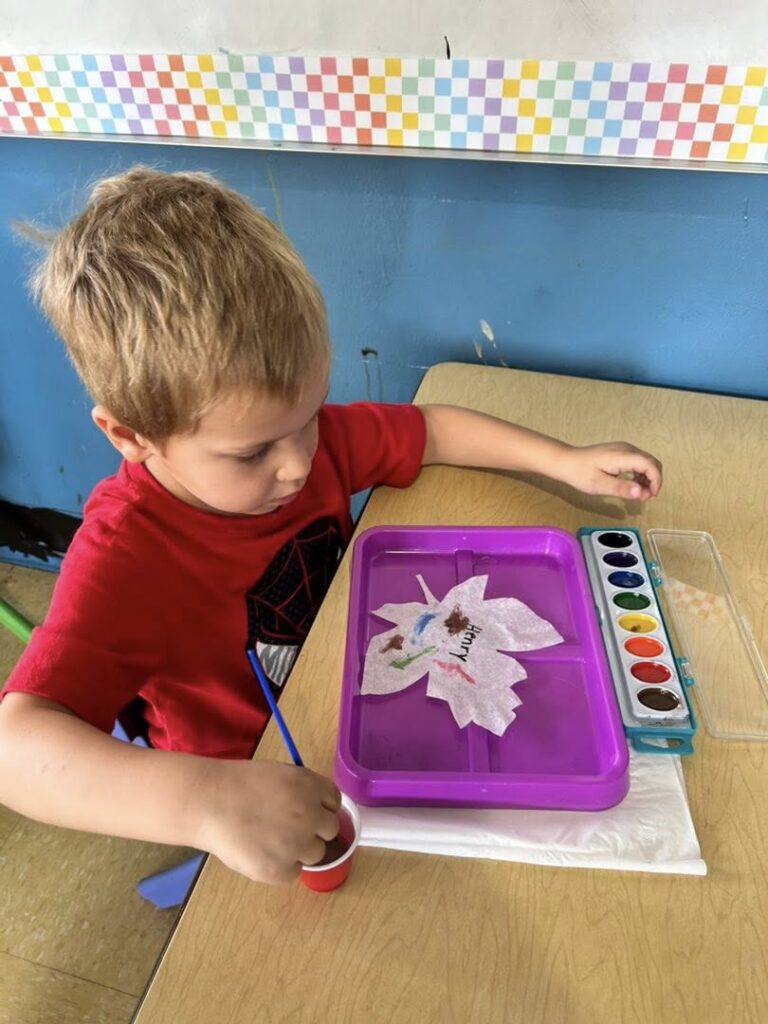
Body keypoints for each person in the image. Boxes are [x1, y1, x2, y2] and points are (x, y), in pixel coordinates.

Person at [0, 168, 662, 885]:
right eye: (253, 452)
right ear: (131, 436)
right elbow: (16, 753)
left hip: (364, 689)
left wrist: (562, 461)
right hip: (260, 783)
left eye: (312, 415)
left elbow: (431, 429)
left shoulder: (296, 441)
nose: (298, 464)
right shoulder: (127, 558)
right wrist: (204, 803)